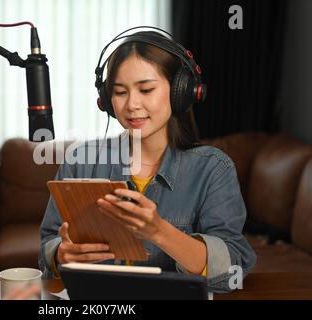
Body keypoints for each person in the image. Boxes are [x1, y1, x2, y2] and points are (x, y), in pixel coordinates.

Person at [38, 27, 256, 293]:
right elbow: (48, 246)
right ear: (106, 101)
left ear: (180, 91)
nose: (132, 105)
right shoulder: (79, 162)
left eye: (146, 89)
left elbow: (233, 268)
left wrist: (160, 232)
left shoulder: (213, 169)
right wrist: (61, 255)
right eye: (119, 92)